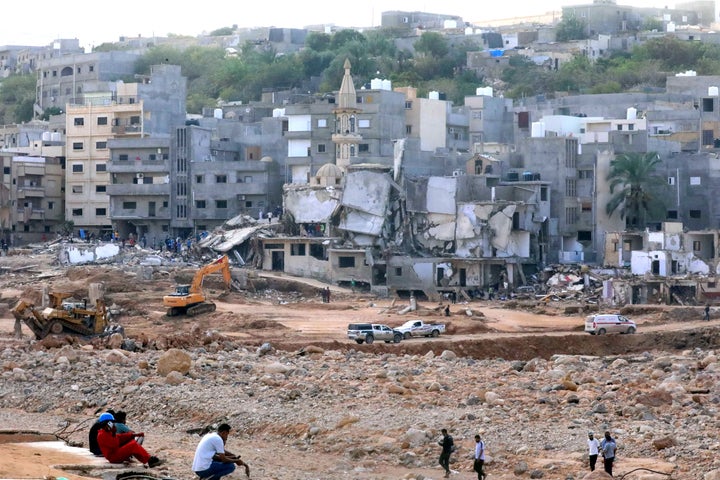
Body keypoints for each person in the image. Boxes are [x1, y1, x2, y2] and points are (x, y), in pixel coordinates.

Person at [96, 412, 162, 468]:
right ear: (107, 423)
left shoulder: (106, 432)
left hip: (114, 454)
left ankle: (148, 458)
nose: (113, 424)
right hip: (113, 457)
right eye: (111, 423)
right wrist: (113, 433)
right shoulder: (102, 435)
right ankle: (149, 460)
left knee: (132, 443)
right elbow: (114, 444)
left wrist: (133, 435)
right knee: (132, 445)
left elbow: (119, 437)